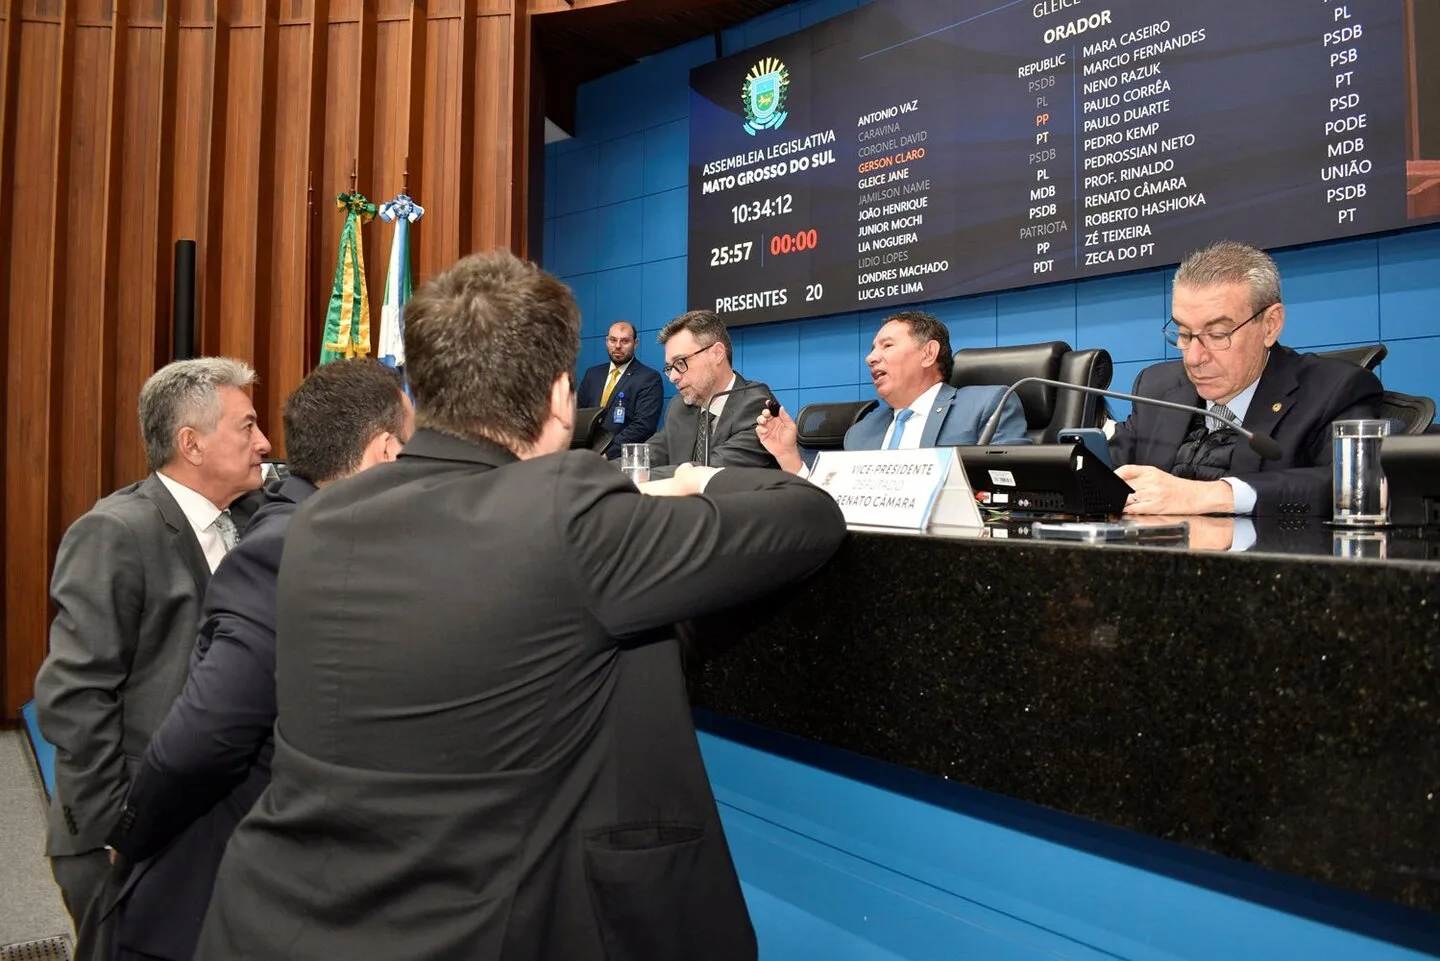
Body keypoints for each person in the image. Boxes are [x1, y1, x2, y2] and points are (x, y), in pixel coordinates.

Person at [194, 251, 847, 961]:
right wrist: (693, 476)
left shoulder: (321, 519)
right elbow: (807, 517)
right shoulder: (562, 510)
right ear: (562, 395)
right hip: (489, 929)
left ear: (424, 391)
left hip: (274, 918)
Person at [104, 358, 414, 961]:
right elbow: (206, 733)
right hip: (214, 883)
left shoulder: (309, 526)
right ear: (381, 451)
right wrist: (121, 835)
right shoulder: (287, 548)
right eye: (412, 445)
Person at [33, 357, 271, 958]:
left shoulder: (251, 520)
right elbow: (73, 698)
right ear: (191, 443)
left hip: (208, 819)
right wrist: (119, 828)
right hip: (128, 834)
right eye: (247, 427)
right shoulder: (115, 532)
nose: (264, 443)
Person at [1110, 241, 1383, 516]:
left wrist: (1212, 495)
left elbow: (1355, 485)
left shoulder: (1334, 390)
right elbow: (1107, 471)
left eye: (1217, 335)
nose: (1193, 357)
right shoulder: (1157, 388)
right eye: (1184, 334)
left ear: (1270, 325)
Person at [755, 311, 1031, 473]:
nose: (871, 358)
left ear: (928, 353)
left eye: (886, 346)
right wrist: (788, 456)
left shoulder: (987, 406)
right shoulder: (862, 432)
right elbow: (832, 507)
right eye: (873, 348)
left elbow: (1019, 488)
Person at [645, 309, 779, 478]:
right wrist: (606, 472)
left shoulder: (757, 405)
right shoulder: (678, 407)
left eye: (680, 363)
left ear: (717, 353)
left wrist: (635, 477)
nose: (673, 377)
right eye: (669, 367)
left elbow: (710, 472)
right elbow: (647, 457)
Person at [576, 320, 663, 459]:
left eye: (624, 341)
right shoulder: (592, 374)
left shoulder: (649, 378)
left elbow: (643, 426)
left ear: (635, 344)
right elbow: (578, 415)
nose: (617, 346)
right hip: (586, 457)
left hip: (622, 459)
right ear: (606, 341)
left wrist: (606, 453)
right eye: (613, 340)